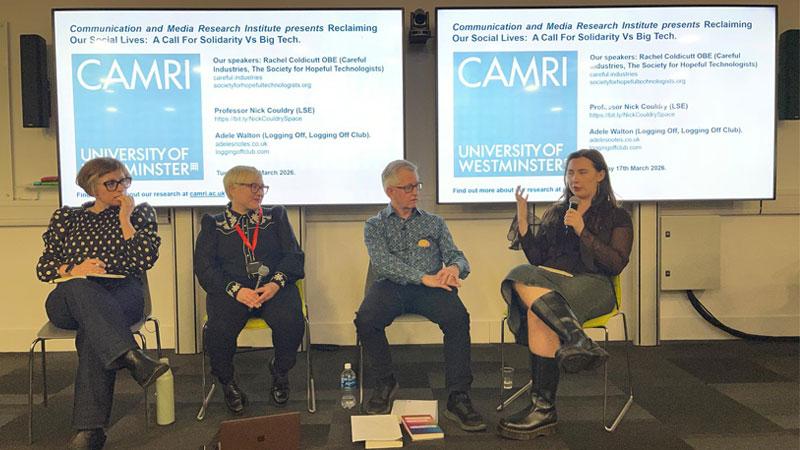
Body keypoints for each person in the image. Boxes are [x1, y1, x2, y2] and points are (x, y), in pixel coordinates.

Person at [497, 149, 633, 440]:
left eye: (582, 172)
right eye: (570, 173)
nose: (575, 179)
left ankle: (542, 410)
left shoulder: (617, 216)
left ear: (600, 175)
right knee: (521, 275)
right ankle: (576, 341)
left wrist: (584, 231)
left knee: (537, 310)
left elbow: (616, 263)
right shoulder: (557, 213)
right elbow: (537, 260)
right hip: (553, 283)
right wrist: (523, 220)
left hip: (594, 285)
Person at [36, 157, 166, 450]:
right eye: (111, 183)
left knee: (94, 335)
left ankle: (90, 432)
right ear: (92, 187)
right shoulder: (67, 218)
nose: (120, 188)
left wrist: (124, 219)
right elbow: (44, 267)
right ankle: (131, 356)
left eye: (124, 181)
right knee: (82, 289)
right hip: (70, 297)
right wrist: (76, 269)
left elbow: (144, 260)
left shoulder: (140, 214)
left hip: (122, 293)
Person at [354, 160, 486, 431]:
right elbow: (382, 263)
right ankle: (385, 381)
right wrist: (422, 277)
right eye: (408, 187)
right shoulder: (374, 225)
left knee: (458, 318)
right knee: (366, 319)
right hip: (390, 286)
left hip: (431, 288)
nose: (415, 192)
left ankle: (458, 395)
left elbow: (457, 256)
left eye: (417, 185)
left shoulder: (435, 223)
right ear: (390, 192)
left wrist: (453, 268)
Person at [194, 166, 305, 414]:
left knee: (291, 322)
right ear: (232, 189)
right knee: (218, 331)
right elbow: (204, 268)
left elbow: (294, 256)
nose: (259, 192)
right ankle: (227, 382)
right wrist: (235, 290)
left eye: (261, 186)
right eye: (252, 186)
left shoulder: (275, 217)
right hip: (232, 293)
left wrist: (275, 283)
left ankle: (280, 370)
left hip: (272, 290)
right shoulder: (213, 224)